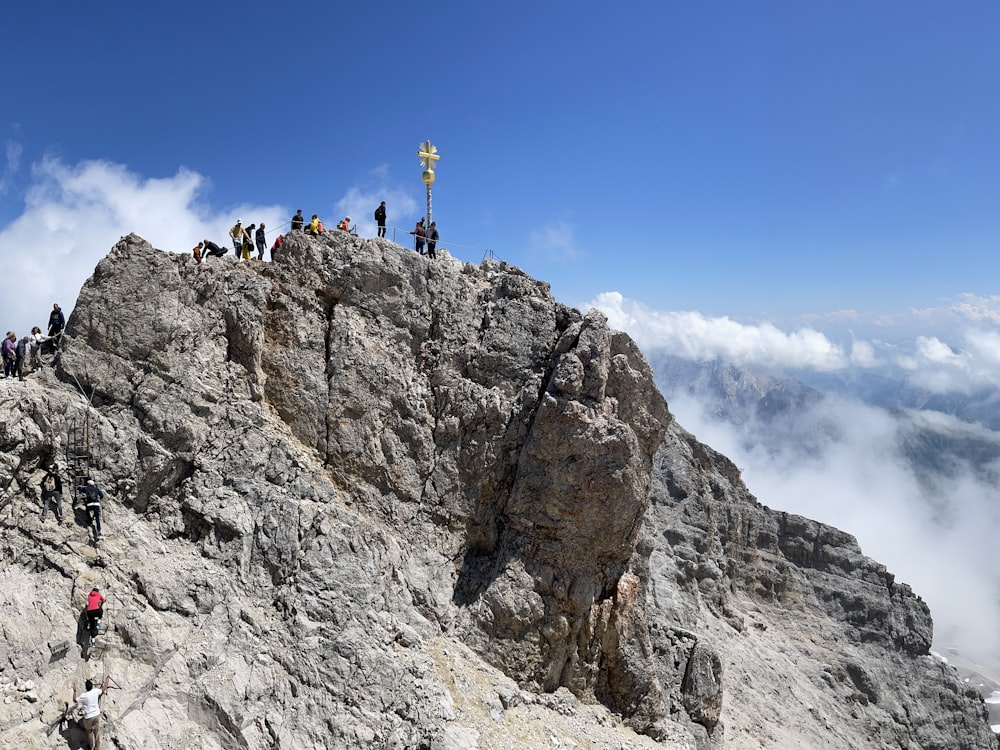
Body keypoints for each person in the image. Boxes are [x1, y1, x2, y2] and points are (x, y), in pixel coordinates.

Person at [73, 676, 110, 750]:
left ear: (86, 688)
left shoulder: (83, 696)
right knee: (96, 731)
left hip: (88, 717)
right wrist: (107, 680)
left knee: (89, 732)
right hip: (96, 714)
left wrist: (74, 691)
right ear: (92, 686)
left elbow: (74, 700)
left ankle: (91, 747)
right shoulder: (95, 691)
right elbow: (103, 689)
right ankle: (97, 747)